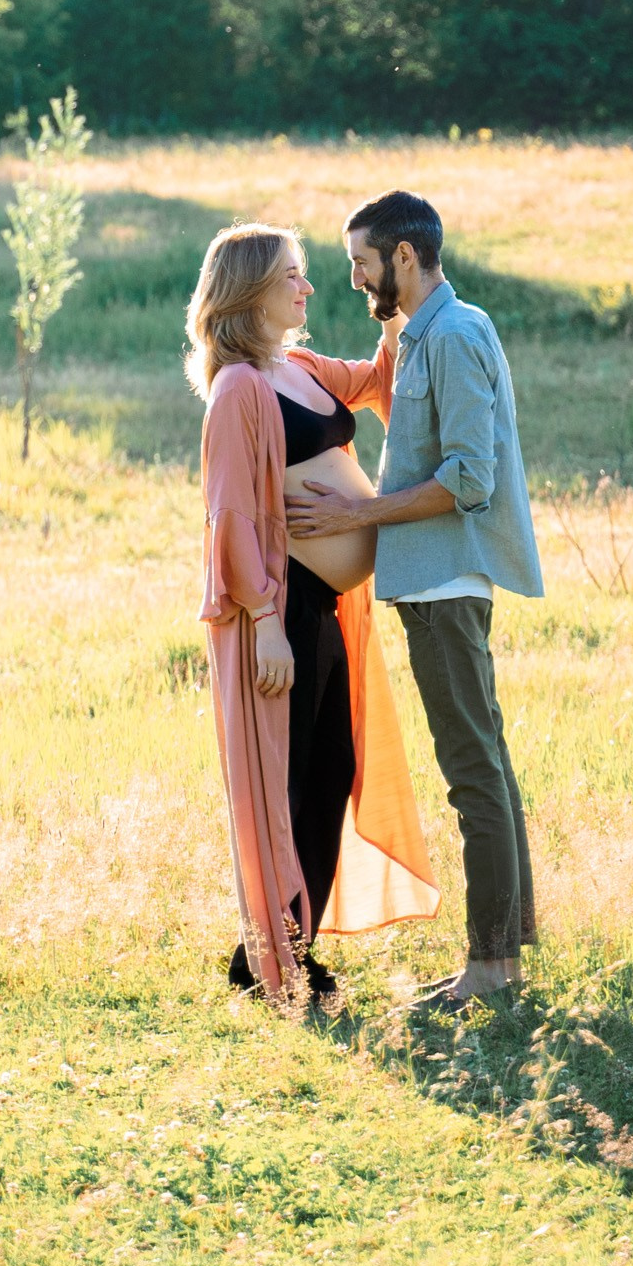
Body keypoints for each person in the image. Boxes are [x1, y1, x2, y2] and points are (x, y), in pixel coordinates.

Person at [285, 188, 544, 1013]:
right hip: (428, 583)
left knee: (473, 774)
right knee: (486, 766)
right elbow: (378, 376)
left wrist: (357, 512)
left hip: (443, 583)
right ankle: (502, 958)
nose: (354, 280)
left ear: (403, 256)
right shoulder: (425, 333)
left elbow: (468, 476)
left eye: (362, 263)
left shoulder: (457, 335)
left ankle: (491, 968)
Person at [190, 223, 437, 1006]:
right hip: (281, 610)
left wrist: (395, 308)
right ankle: (275, 959)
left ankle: (278, 951)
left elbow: (374, 381)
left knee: (331, 771)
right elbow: (228, 514)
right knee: (286, 781)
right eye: (292, 277)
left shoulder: (295, 366)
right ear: (250, 292)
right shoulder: (239, 388)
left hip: (327, 605)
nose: (306, 289)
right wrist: (263, 620)